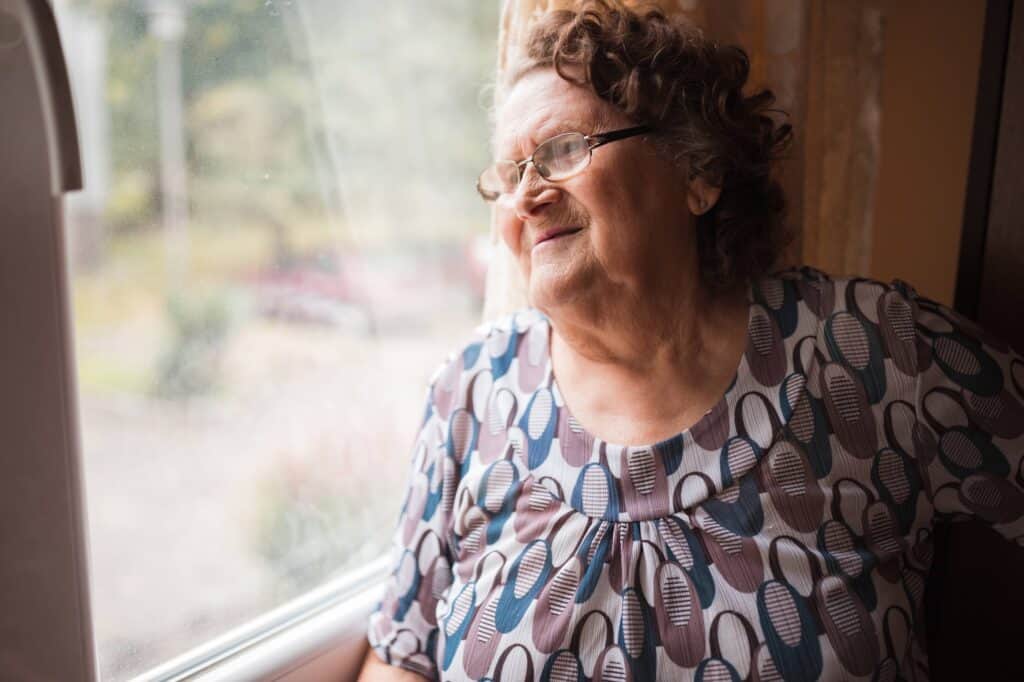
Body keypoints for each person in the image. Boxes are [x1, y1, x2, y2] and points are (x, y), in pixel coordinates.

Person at [358, 1, 1024, 680]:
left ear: (696, 172)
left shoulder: (873, 352)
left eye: (563, 150)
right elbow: (399, 659)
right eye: (509, 174)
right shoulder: (472, 392)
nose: (527, 197)